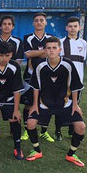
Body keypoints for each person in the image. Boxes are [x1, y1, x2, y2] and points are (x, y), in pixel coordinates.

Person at [26, 37, 86, 167]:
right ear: (45, 51)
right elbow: (36, 87)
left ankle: (71, 154)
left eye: (54, 48)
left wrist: (75, 105)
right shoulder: (40, 65)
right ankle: (36, 151)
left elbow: (75, 86)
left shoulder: (68, 64)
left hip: (65, 103)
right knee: (30, 123)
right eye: (48, 48)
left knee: (81, 127)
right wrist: (35, 105)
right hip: (44, 104)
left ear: (60, 49)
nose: (51, 50)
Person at [0, 15, 24, 139]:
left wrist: (10, 72)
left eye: (9, 24)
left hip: (12, 76)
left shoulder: (18, 41)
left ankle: (12, 129)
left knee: (13, 100)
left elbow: (18, 60)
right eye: (4, 24)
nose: (7, 26)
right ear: (0, 26)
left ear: (13, 26)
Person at [21, 12, 54, 142]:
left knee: (46, 103)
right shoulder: (28, 37)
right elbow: (28, 54)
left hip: (48, 76)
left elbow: (52, 54)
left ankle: (44, 131)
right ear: (33, 23)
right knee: (29, 104)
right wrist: (44, 52)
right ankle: (26, 130)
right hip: (31, 75)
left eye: (41, 20)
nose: (39, 22)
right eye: (36, 20)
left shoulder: (51, 37)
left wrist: (38, 53)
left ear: (45, 22)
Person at [58, 16, 87, 141]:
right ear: (66, 28)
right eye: (70, 26)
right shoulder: (61, 42)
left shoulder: (83, 43)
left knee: (75, 105)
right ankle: (57, 130)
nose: (73, 28)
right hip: (64, 81)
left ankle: (71, 129)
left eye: (75, 26)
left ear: (79, 27)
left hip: (78, 81)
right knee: (61, 105)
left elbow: (82, 61)